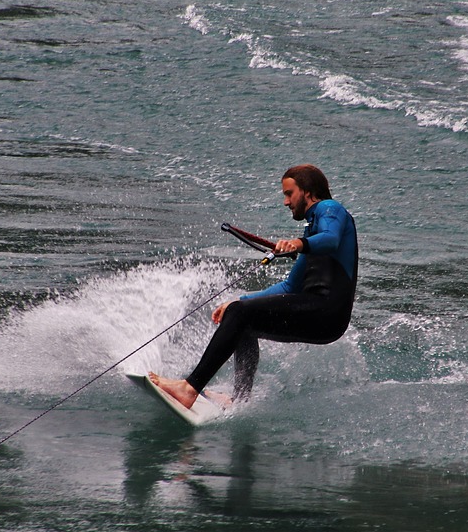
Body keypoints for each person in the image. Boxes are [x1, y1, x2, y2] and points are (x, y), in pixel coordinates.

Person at [150, 164, 358, 409]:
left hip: (327, 310)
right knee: (242, 318)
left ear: (308, 192)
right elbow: (290, 286)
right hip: (324, 321)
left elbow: (331, 239)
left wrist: (297, 243)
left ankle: (189, 388)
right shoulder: (313, 233)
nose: (285, 202)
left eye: (289, 194)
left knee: (241, 314)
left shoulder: (330, 209)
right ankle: (239, 400)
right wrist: (240, 301)